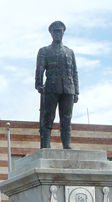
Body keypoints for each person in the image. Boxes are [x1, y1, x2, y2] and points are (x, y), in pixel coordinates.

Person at [35, 21, 79, 149]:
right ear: (51, 34)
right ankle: (46, 145)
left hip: (68, 88)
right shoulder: (45, 51)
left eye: (60, 31)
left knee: (66, 119)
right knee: (48, 117)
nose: (58, 34)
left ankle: (67, 145)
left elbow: (74, 72)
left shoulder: (70, 52)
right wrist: (39, 84)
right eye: (55, 31)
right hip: (51, 87)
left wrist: (76, 91)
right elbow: (40, 69)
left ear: (63, 33)